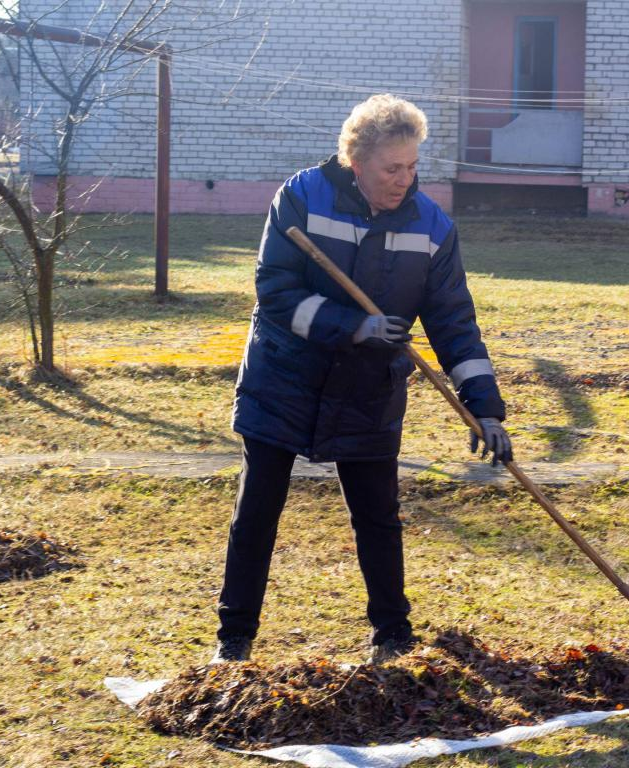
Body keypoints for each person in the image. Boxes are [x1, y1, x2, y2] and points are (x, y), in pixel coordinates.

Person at [212, 94, 512, 665]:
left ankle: (393, 637)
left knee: (378, 515)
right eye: (391, 168)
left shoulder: (431, 227)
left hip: (368, 390)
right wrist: (354, 326)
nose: (405, 180)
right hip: (284, 379)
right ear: (356, 161)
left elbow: (454, 323)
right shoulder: (302, 197)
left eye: (412, 166)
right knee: (257, 513)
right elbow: (275, 294)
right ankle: (234, 640)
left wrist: (485, 408)